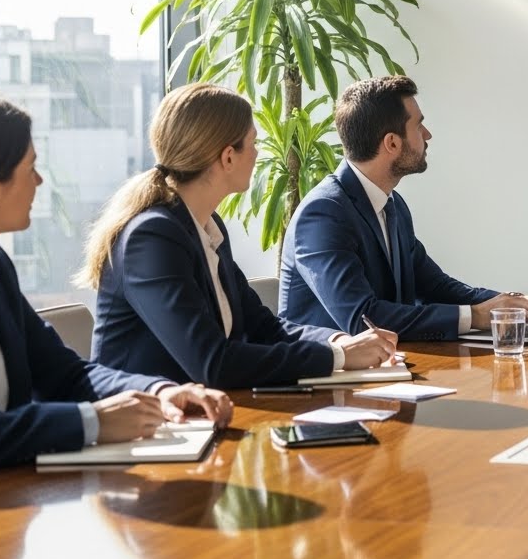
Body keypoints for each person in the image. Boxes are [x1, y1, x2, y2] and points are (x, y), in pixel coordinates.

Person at [81, 83, 398, 388]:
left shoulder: (206, 227)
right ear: (228, 157)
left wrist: (339, 340)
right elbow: (213, 363)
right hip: (154, 431)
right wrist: (339, 357)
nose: (258, 154)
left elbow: (263, 326)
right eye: (253, 143)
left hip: (202, 417)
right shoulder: (151, 238)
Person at [0, 92, 232, 467]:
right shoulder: (154, 233)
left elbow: (66, 373)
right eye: (30, 168)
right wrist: (92, 421)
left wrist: (159, 391)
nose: (39, 181)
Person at [278, 76, 528, 340]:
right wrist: (476, 316)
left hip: (387, 368)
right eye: (419, 126)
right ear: (392, 143)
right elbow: (363, 318)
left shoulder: (391, 203)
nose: (427, 134)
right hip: (328, 378)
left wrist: (507, 304)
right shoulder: (323, 214)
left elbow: (434, 285)